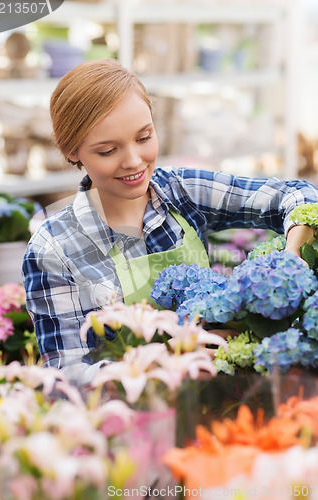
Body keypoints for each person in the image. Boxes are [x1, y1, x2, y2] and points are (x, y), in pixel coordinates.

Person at [23, 58, 318, 387]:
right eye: (107, 151)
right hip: (134, 421)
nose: (134, 161)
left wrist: (290, 261)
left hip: (214, 399)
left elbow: (299, 196)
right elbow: (67, 377)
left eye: (144, 137)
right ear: (72, 151)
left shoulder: (181, 191)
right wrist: (170, 360)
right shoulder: (54, 248)